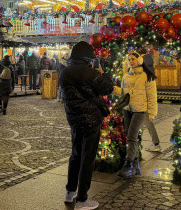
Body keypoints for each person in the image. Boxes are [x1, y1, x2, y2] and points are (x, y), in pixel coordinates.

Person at [60, 41, 113, 209]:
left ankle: (70, 192)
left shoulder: (65, 72)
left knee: (75, 154)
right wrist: (102, 73)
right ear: (87, 57)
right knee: (87, 158)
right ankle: (82, 199)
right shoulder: (90, 73)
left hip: (74, 119)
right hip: (91, 120)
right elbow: (107, 88)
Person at [115, 52, 157, 179]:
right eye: (129, 59)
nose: (130, 61)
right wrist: (112, 88)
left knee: (132, 136)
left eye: (133, 59)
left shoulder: (146, 76)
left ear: (139, 60)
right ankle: (136, 165)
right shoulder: (126, 75)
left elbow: (152, 96)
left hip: (140, 110)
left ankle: (128, 164)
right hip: (127, 109)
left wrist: (152, 112)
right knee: (130, 135)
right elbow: (122, 92)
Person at [139, 50, 161, 152]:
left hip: (142, 103)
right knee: (147, 123)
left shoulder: (144, 75)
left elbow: (151, 95)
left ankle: (156, 144)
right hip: (143, 102)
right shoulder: (149, 73)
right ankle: (156, 144)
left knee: (146, 122)